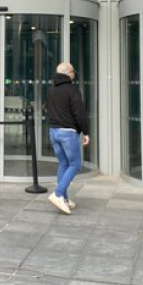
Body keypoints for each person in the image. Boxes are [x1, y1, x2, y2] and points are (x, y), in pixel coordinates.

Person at [45, 61, 90, 215]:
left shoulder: (51, 90)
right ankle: (58, 194)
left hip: (53, 132)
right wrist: (86, 132)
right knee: (75, 164)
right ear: (69, 73)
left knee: (64, 164)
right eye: (73, 71)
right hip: (68, 133)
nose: (74, 74)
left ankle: (63, 197)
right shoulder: (72, 90)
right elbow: (80, 113)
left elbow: (48, 109)